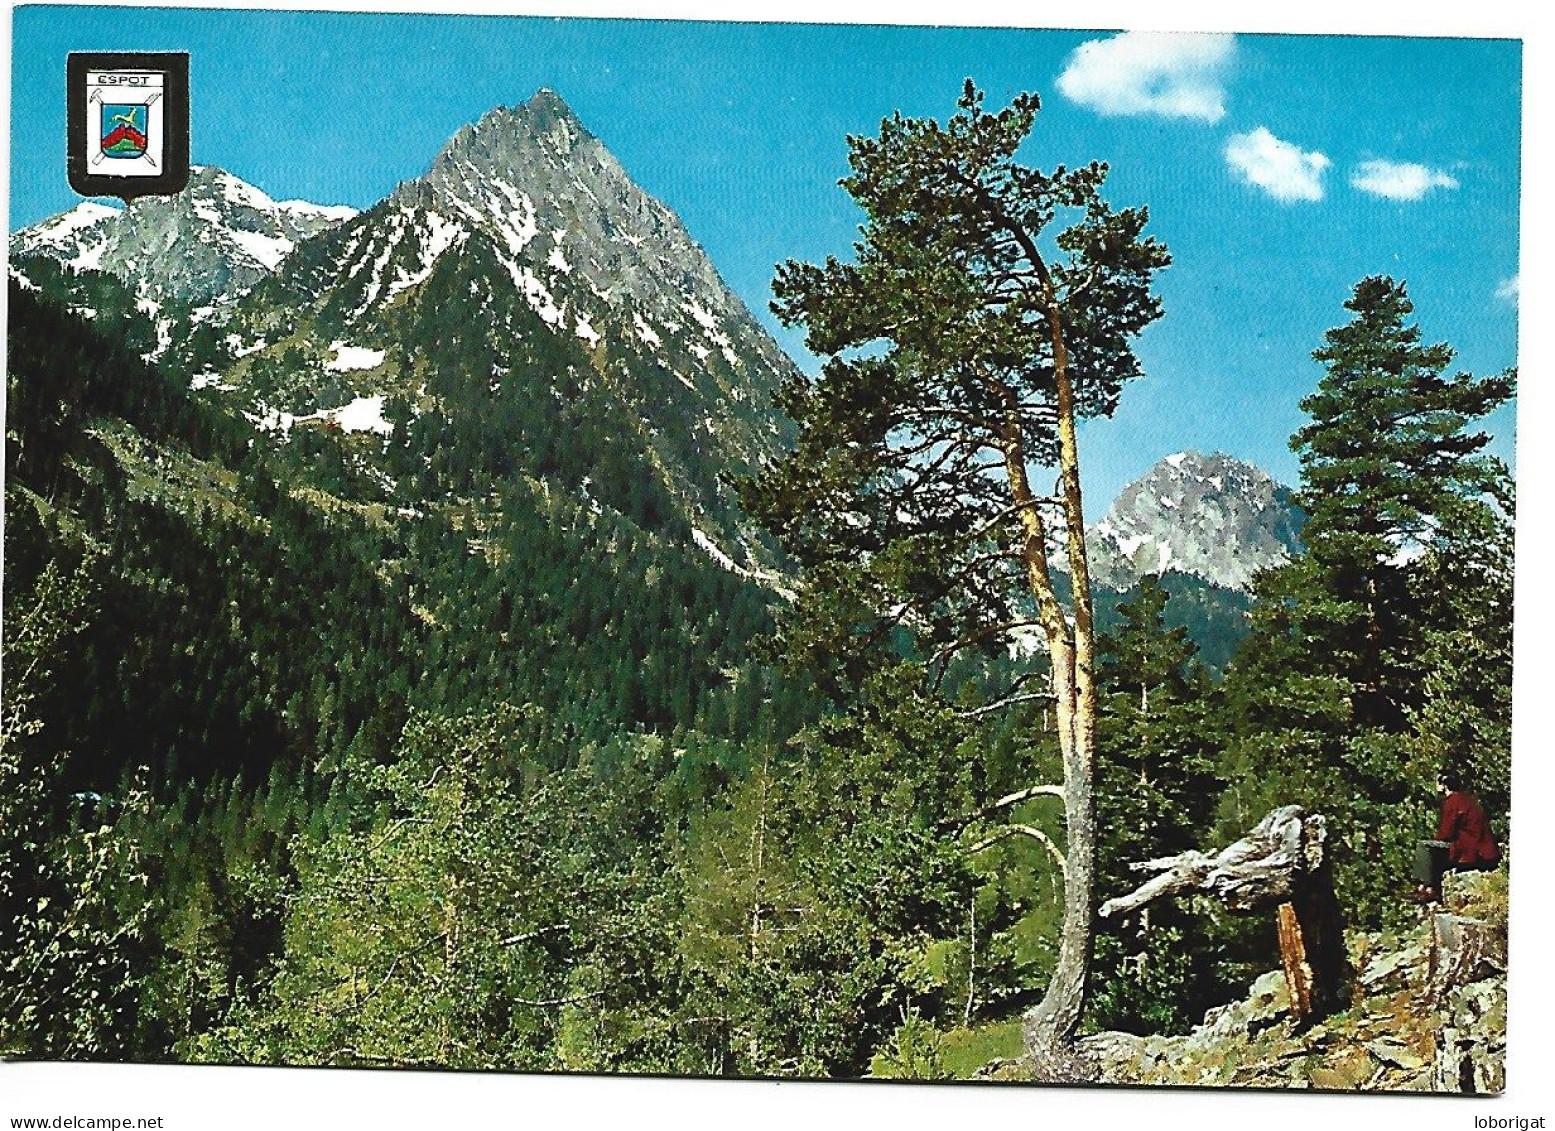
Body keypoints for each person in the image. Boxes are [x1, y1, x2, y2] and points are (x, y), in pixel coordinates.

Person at [1412, 769, 1501, 903]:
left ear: (1444, 784)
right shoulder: (1467, 799)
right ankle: (1427, 887)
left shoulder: (1453, 801)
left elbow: (1446, 833)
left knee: (1424, 846)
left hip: (1470, 850)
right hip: (1481, 849)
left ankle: (1426, 888)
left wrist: (1436, 839)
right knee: (1435, 848)